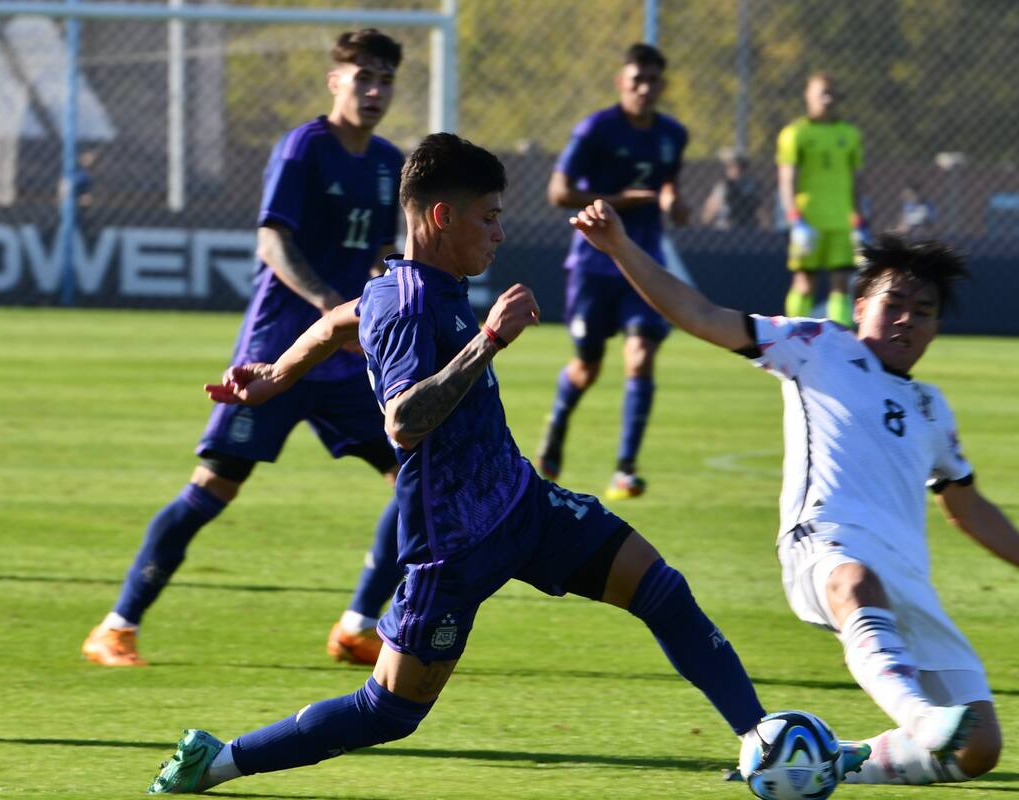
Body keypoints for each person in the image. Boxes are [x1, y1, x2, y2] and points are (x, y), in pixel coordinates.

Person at [145, 132, 821, 795]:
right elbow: (403, 422)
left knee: (662, 591)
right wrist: (489, 341)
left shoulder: (414, 285)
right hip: (453, 545)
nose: (500, 234)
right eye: (490, 218)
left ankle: (763, 740)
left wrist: (276, 377)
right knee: (389, 712)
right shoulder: (410, 303)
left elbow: (335, 324)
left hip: (522, 505)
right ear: (441, 217)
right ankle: (219, 761)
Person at [566, 199, 1019, 786]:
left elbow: (966, 506)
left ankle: (824, 762)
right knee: (856, 586)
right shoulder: (818, 345)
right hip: (825, 546)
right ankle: (918, 717)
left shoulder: (931, 407)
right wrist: (621, 248)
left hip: (906, 579)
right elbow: (702, 314)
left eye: (924, 311)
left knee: (979, 749)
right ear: (861, 306)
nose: (906, 320)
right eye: (893, 303)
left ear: (937, 327)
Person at [82, 29, 407, 668]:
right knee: (214, 489)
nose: (373, 91)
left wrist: (380, 291)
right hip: (273, 359)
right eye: (362, 77)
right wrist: (323, 304)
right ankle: (116, 627)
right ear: (334, 80)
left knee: (417, 475)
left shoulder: (388, 162)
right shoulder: (302, 149)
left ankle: (357, 625)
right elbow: (271, 241)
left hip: (344, 361)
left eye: (385, 80)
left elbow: (373, 253)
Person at [536, 42, 690, 500]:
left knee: (640, 356)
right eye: (635, 80)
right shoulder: (597, 130)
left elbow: (669, 195)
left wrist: (674, 205)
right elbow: (559, 192)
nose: (643, 89)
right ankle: (558, 425)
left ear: (662, 85)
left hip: (643, 265)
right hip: (592, 264)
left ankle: (625, 468)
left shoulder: (672, 135)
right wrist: (623, 200)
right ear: (621, 82)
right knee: (588, 366)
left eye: (652, 81)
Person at [777, 72, 865, 328]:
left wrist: (859, 219)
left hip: (841, 221)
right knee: (805, 282)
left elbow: (857, 179)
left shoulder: (849, 133)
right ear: (808, 96)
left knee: (841, 284)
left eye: (831, 94)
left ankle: (838, 342)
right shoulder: (796, 133)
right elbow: (787, 179)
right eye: (821, 94)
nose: (827, 100)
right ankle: (793, 335)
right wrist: (795, 219)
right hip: (809, 220)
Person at [700, 147, 764, 230]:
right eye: (730, 167)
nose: (734, 170)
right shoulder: (722, 186)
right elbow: (709, 211)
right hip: (726, 229)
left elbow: (759, 209)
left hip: (748, 227)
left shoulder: (750, 185)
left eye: (737, 166)